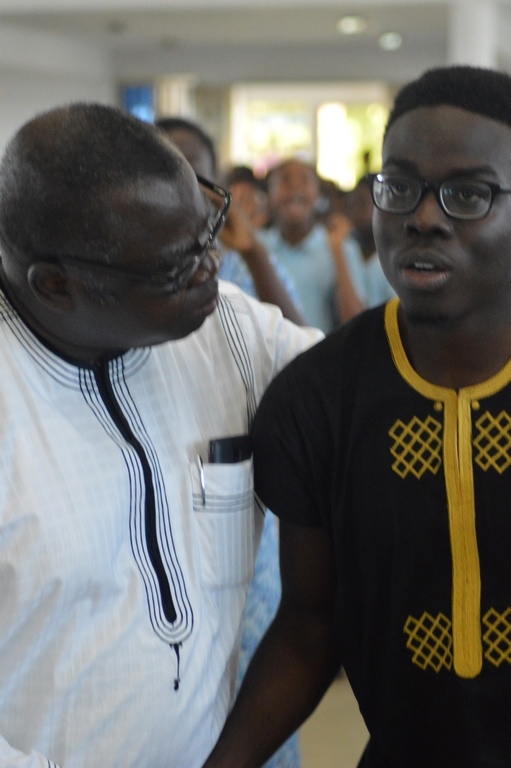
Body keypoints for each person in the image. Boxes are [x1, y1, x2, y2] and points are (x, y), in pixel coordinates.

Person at [202, 64, 511, 768]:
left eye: (467, 194)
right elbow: (311, 626)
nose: (423, 217)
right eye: (398, 187)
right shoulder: (319, 397)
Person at [0, 102, 322, 767]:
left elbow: (363, 397)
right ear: (56, 285)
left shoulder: (230, 329)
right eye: (173, 269)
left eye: (208, 231)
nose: (210, 269)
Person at [156, 116, 304, 767]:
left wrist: (254, 254)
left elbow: (305, 367)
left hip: (243, 540)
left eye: (194, 175)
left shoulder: (236, 277)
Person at [155, 116, 304, 325]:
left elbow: (297, 337)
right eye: (165, 172)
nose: (179, 186)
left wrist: (254, 254)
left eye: (194, 174)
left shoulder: (239, 261)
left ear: (215, 182)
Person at [259, 158, 363, 332]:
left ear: (318, 194)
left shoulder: (341, 247)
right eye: (285, 180)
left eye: (304, 180)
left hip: (319, 348)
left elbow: (356, 324)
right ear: (270, 194)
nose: (295, 187)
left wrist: (338, 253)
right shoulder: (257, 247)